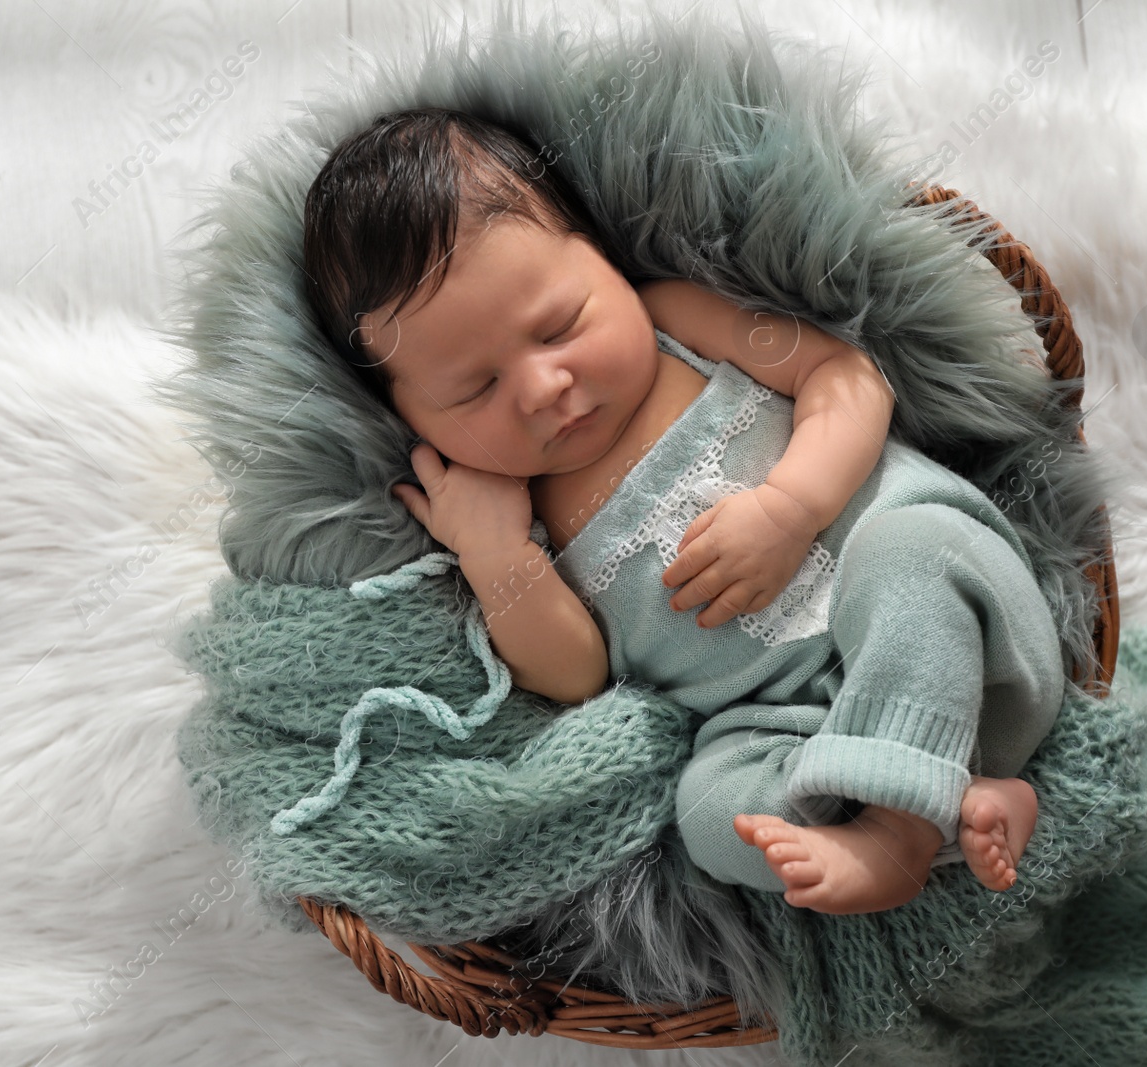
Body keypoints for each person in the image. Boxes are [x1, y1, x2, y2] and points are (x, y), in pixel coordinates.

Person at [302, 106, 1065, 915]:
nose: (541, 388)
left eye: (560, 326)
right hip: (792, 729)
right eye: (474, 389)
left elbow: (847, 379)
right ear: (411, 418)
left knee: (909, 548)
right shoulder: (505, 504)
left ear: (602, 259)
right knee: (707, 807)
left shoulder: (675, 324)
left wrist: (788, 507)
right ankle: (957, 806)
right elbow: (577, 675)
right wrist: (497, 559)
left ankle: (899, 832)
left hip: (969, 643)